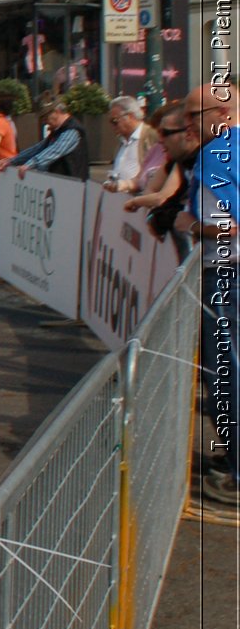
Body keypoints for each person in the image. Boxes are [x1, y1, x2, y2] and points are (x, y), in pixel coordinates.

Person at [175, 84, 237, 506]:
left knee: (227, 370)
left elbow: (228, 227)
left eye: (193, 116)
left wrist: (189, 225)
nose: (186, 126)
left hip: (228, 272)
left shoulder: (217, 155)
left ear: (220, 113)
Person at [126, 105, 193, 260]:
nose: (160, 141)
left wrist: (136, 202)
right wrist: (153, 213)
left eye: (165, 133)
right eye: (158, 133)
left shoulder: (209, 158)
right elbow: (151, 190)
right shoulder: (175, 161)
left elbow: (161, 198)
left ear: (189, 132)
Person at [0, 92, 88, 180]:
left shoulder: (72, 130)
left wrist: (30, 164)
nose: (44, 122)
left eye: (45, 117)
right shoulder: (58, 131)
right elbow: (38, 148)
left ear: (57, 111)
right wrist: (12, 161)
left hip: (73, 187)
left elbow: (55, 150)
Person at [102, 96, 149, 193]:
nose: (112, 126)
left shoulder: (149, 136)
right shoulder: (121, 141)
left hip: (138, 199)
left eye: (114, 121)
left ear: (130, 117)